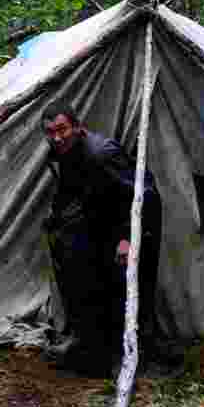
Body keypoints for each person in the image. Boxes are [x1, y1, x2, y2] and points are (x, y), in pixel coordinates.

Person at [41, 102, 163, 376]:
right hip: (97, 228)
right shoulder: (63, 152)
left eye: (62, 129)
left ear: (77, 126)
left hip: (128, 229)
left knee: (126, 292)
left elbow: (144, 194)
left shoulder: (101, 154)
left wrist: (128, 237)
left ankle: (133, 357)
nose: (57, 137)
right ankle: (94, 354)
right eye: (50, 132)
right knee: (88, 289)